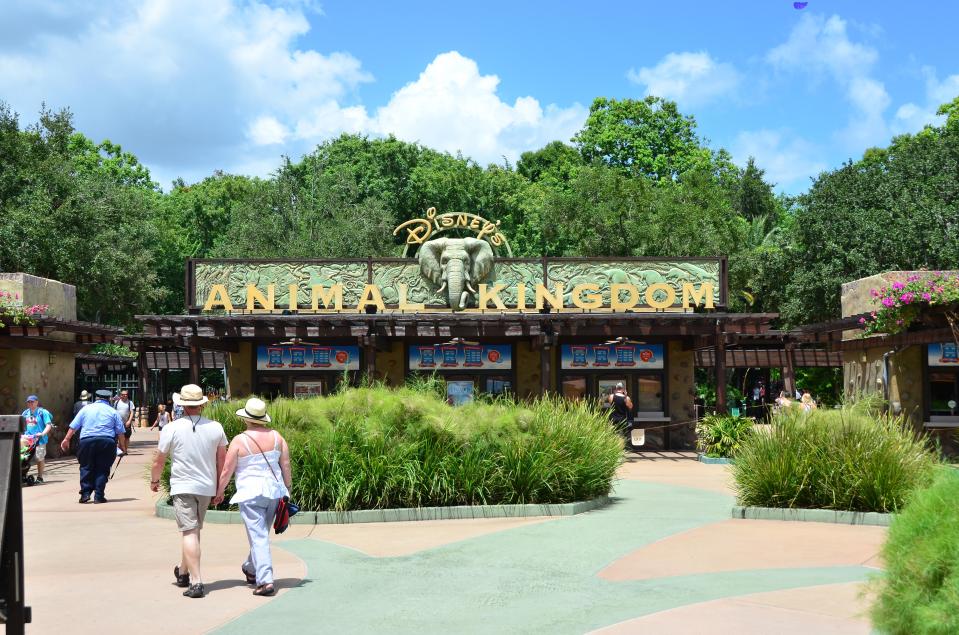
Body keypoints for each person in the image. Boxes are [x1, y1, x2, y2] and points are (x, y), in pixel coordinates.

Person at [150, 384, 227, 599]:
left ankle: (196, 581)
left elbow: (159, 458)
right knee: (193, 531)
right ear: (202, 404)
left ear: (182, 405)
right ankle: (183, 571)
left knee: (189, 532)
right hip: (206, 486)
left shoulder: (171, 428)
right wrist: (220, 488)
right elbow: (223, 460)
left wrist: (154, 480)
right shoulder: (216, 427)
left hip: (182, 485)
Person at [216, 397, 292, 597]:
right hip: (274, 492)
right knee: (261, 535)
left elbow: (227, 470)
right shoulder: (277, 437)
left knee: (258, 536)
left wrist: (220, 491)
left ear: (246, 418)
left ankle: (265, 580)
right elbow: (285, 465)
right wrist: (288, 489)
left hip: (250, 492)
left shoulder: (240, 440)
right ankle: (250, 567)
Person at [60, 389, 126, 503]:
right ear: (109, 399)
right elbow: (120, 432)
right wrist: (123, 447)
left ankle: (85, 494)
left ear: (96, 398)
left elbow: (74, 426)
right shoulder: (113, 411)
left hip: (86, 441)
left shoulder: (85, 409)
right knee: (103, 468)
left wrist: (66, 439)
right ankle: (99, 496)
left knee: (86, 466)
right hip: (107, 441)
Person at [23, 395, 53, 484]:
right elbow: (21, 425)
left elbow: (48, 425)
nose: (30, 403)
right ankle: (23, 475)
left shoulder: (42, 412)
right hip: (27, 439)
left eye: (32, 402)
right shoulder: (25, 413)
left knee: (39, 457)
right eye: (28, 402)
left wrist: (43, 433)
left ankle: (40, 477)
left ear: (36, 402)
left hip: (40, 439)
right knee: (24, 457)